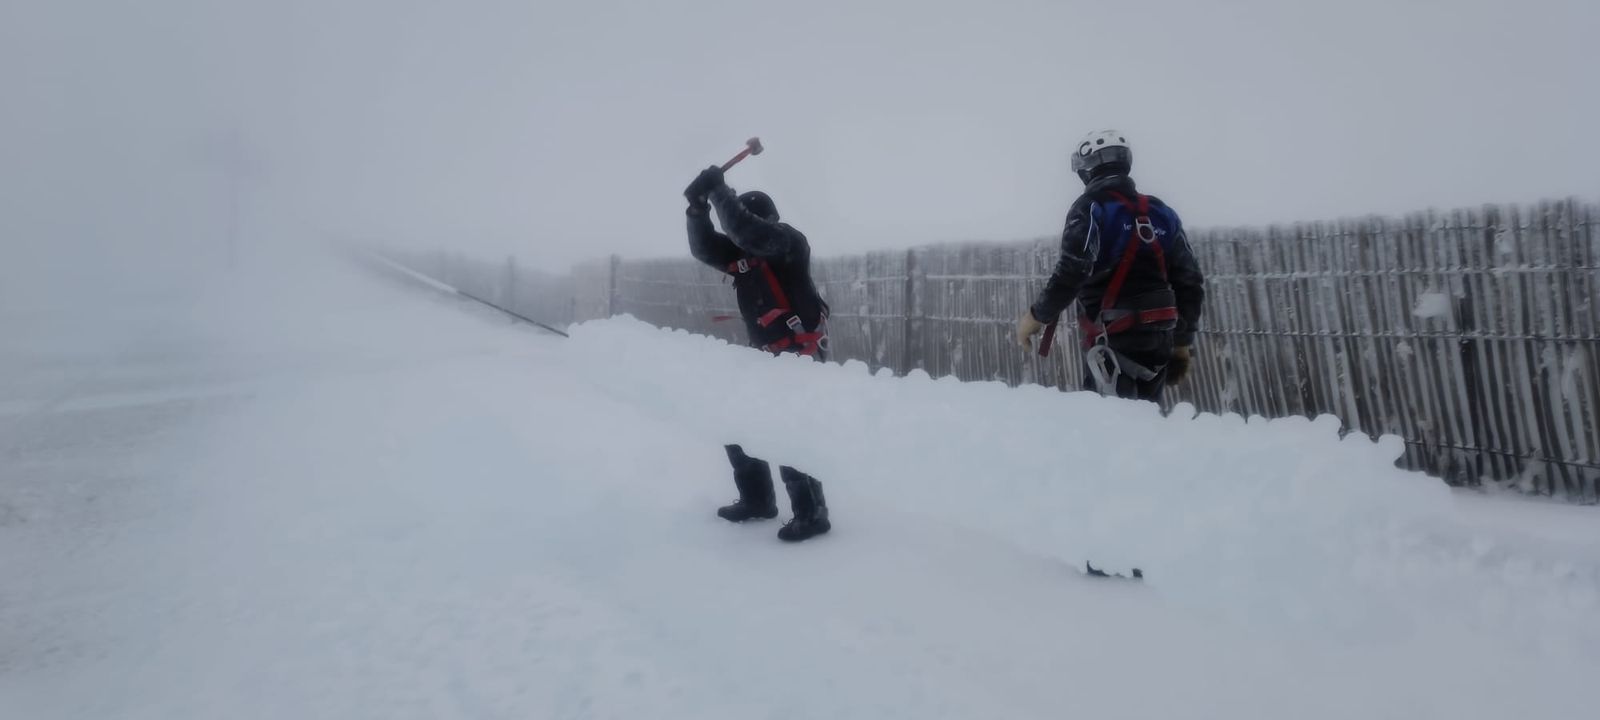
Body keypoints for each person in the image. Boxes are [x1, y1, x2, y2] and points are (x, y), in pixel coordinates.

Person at [682, 164, 831, 542]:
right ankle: (757, 500)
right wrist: (697, 210)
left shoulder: (787, 242)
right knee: (737, 421)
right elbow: (705, 248)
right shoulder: (743, 256)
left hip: (800, 356)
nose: (738, 239)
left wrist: (718, 190)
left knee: (789, 433)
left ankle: (812, 515)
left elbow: (744, 231)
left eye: (745, 222)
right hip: (763, 356)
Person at [1015, 129, 1205, 403]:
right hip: (1161, 336)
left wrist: (1035, 317)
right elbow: (1190, 281)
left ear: (1087, 170)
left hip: (1114, 338)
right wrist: (1182, 343)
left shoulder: (1090, 208)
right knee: (1146, 422)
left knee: (1111, 427)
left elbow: (1073, 270)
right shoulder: (1161, 212)